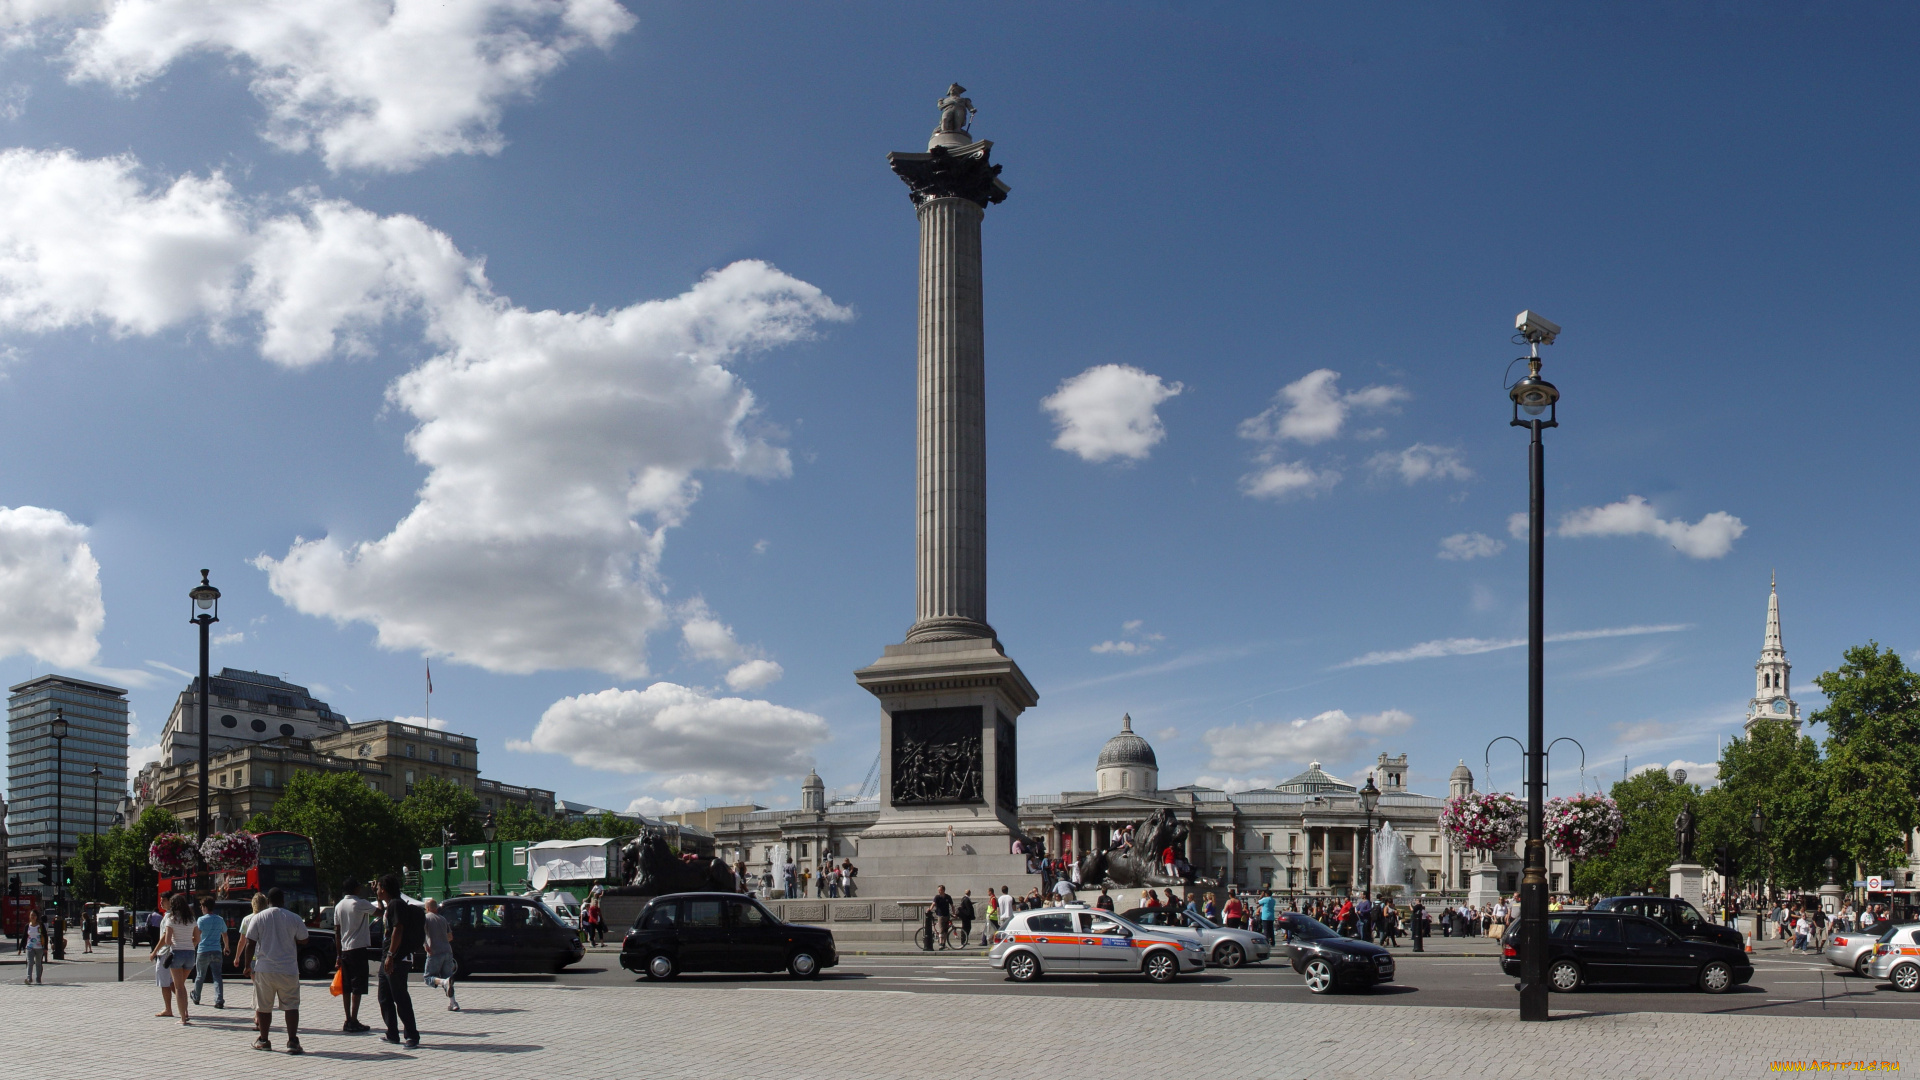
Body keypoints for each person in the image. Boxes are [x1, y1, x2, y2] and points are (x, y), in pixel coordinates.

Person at [239, 887, 309, 1054]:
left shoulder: (258, 918)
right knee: (291, 1005)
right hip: (289, 969)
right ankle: (292, 1041)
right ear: (283, 900)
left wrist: (247, 965)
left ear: (268, 901)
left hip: (264, 968)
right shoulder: (294, 918)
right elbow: (304, 939)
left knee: (264, 1006)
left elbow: (250, 943)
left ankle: (264, 1040)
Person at [376, 874, 422, 1048]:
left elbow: (398, 929)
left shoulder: (396, 904)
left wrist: (390, 955)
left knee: (400, 997)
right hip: (387, 958)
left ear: (385, 889)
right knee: (384, 997)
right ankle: (392, 1033)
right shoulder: (390, 905)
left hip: (397, 958)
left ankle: (412, 1035)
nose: (377, 890)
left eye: (379, 887)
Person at [333, 878, 375, 1033]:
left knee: (346, 986)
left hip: (344, 950)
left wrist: (338, 954)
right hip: (358, 948)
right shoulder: (360, 903)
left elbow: (337, 932)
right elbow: (380, 912)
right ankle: (354, 1019)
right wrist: (376, 894)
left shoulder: (339, 906)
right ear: (355, 889)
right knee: (358, 986)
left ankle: (347, 1018)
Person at [152, 892, 198, 1025]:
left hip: (177, 953)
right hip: (190, 954)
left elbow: (167, 939)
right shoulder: (191, 919)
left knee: (178, 987)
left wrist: (175, 944)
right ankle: (186, 1012)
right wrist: (189, 944)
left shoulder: (171, 919)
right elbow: (197, 938)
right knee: (181, 985)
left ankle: (183, 1018)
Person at [420, 897, 458, 1012]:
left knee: (428, 977)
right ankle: (453, 1003)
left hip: (434, 951)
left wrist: (425, 944)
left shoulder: (426, 918)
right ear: (436, 908)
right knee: (448, 976)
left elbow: (421, 934)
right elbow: (450, 937)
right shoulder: (443, 919)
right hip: (447, 950)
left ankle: (443, 982)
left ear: (427, 908)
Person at [191, 895, 229, 1010]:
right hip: (216, 950)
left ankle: (196, 997)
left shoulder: (201, 920)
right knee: (217, 976)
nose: (201, 908)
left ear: (205, 907)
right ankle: (219, 1000)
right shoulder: (220, 919)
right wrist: (226, 946)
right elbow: (225, 934)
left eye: (202, 906)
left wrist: (192, 946)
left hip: (203, 950)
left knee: (200, 975)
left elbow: (198, 935)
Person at [22, 910, 43, 985]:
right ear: (29, 917)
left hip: (39, 947)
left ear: (37, 917)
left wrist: (46, 947)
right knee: (30, 962)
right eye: (31, 915)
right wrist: (21, 947)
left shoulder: (40, 925)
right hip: (29, 947)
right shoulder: (27, 926)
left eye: (34, 915)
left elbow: (45, 936)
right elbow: (24, 936)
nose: (33, 917)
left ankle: (38, 978)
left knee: (38, 963)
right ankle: (29, 978)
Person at [929, 886, 954, 950]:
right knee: (941, 930)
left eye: (940, 890)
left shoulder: (948, 897)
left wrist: (954, 913)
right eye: (938, 890)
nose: (939, 891)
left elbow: (952, 905)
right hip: (940, 915)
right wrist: (929, 909)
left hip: (947, 915)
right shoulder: (937, 897)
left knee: (946, 931)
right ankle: (940, 944)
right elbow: (933, 904)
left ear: (943, 890)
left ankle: (944, 944)